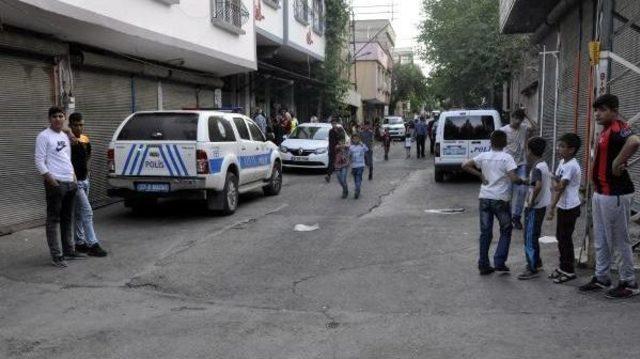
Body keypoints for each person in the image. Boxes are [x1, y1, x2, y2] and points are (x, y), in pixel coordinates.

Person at [579, 94, 640, 298]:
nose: (597, 113)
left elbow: (634, 141)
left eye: (602, 110)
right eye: (596, 110)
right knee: (602, 238)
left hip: (615, 193)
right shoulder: (606, 130)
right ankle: (602, 276)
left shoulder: (618, 128)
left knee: (619, 239)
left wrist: (617, 163)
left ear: (614, 110)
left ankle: (629, 282)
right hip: (601, 193)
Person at [462, 130, 524, 275]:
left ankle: (483, 264)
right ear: (505, 143)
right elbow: (514, 178)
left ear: (490, 142)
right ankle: (499, 262)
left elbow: (464, 165)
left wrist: (480, 175)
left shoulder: (483, 156)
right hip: (500, 199)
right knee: (506, 229)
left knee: (485, 233)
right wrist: (523, 180)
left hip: (484, 198)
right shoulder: (507, 158)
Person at [35, 107, 84, 268]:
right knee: (53, 219)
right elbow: (39, 161)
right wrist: (52, 180)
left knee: (67, 218)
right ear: (49, 118)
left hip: (70, 182)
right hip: (56, 183)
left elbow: (67, 159)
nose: (58, 118)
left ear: (64, 118)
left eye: (61, 116)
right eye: (54, 116)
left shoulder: (64, 135)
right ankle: (57, 256)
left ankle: (69, 250)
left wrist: (74, 178)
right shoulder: (43, 136)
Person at [68, 113, 108, 257]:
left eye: (81, 124)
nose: (79, 127)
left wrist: (88, 172)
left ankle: (80, 243)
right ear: (70, 125)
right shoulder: (67, 140)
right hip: (75, 182)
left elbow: (88, 156)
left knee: (79, 213)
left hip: (85, 179)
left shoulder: (85, 139)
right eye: (76, 125)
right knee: (87, 211)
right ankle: (92, 244)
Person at [546, 133, 581, 284]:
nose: (559, 148)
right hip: (563, 205)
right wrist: (553, 206)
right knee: (561, 237)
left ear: (572, 150)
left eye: (562, 146)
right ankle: (563, 266)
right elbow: (558, 182)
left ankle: (569, 270)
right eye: (559, 145)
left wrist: (552, 207)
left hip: (570, 207)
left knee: (565, 239)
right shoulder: (563, 162)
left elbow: (560, 186)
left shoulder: (572, 165)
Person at [517, 137, 551, 280]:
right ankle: (536, 262)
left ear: (530, 151)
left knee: (529, 237)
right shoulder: (543, 164)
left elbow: (537, 186)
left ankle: (532, 267)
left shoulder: (536, 167)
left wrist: (530, 203)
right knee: (533, 235)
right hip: (541, 205)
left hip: (534, 207)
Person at [501, 108, 536, 230]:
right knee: (508, 193)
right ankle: (507, 218)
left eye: (520, 119)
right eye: (516, 118)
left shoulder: (524, 127)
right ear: (512, 117)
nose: (517, 121)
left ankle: (516, 217)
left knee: (522, 190)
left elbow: (534, 127)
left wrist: (526, 114)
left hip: (521, 164)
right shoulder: (503, 130)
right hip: (508, 166)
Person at [349, 133, 368, 199]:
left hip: (361, 165)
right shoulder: (351, 147)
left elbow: (367, 149)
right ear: (352, 140)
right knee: (355, 179)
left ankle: (357, 190)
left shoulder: (362, 145)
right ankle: (358, 188)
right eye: (354, 139)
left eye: (357, 139)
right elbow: (349, 155)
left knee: (358, 178)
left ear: (359, 139)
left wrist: (362, 144)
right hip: (354, 166)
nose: (355, 140)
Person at [325, 118, 343, 183]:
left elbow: (342, 138)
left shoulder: (339, 130)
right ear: (331, 124)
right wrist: (333, 147)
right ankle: (328, 176)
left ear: (336, 123)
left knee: (339, 162)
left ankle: (341, 175)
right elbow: (331, 141)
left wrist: (340, 144)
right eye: (332, 123)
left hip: (339, 149)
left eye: (335, 123)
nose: (334, 124)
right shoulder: (331, 131)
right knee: (331, 163)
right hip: (332, 149)